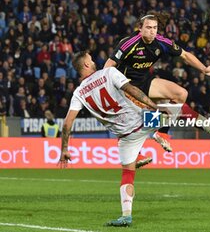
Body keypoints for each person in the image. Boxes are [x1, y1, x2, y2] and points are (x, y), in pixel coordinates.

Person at [104, 11, 210, 150]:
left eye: (155, 28)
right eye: (148, 27)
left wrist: (204, 69)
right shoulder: (129, 43)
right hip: (126, 87)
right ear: (140, 28)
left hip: (145, 82)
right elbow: (108, 67)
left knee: (181, 95)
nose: (152, 31)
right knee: (179, 112)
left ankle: (164, 133)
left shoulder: (161, 42)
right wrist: (106, 90)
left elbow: (185, 55)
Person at [58, 51, 168, 227]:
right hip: (143, 121)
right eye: (91, 59)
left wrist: (64, 149)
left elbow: (67, 124)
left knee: (128, 174)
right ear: (86, 65)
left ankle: (126, 216)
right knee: (175, 106)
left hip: (125, 137)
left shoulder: (78, 93)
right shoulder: (109, 72)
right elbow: (132, 89)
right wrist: (154, 106)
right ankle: (163, 134)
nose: (93, 61)